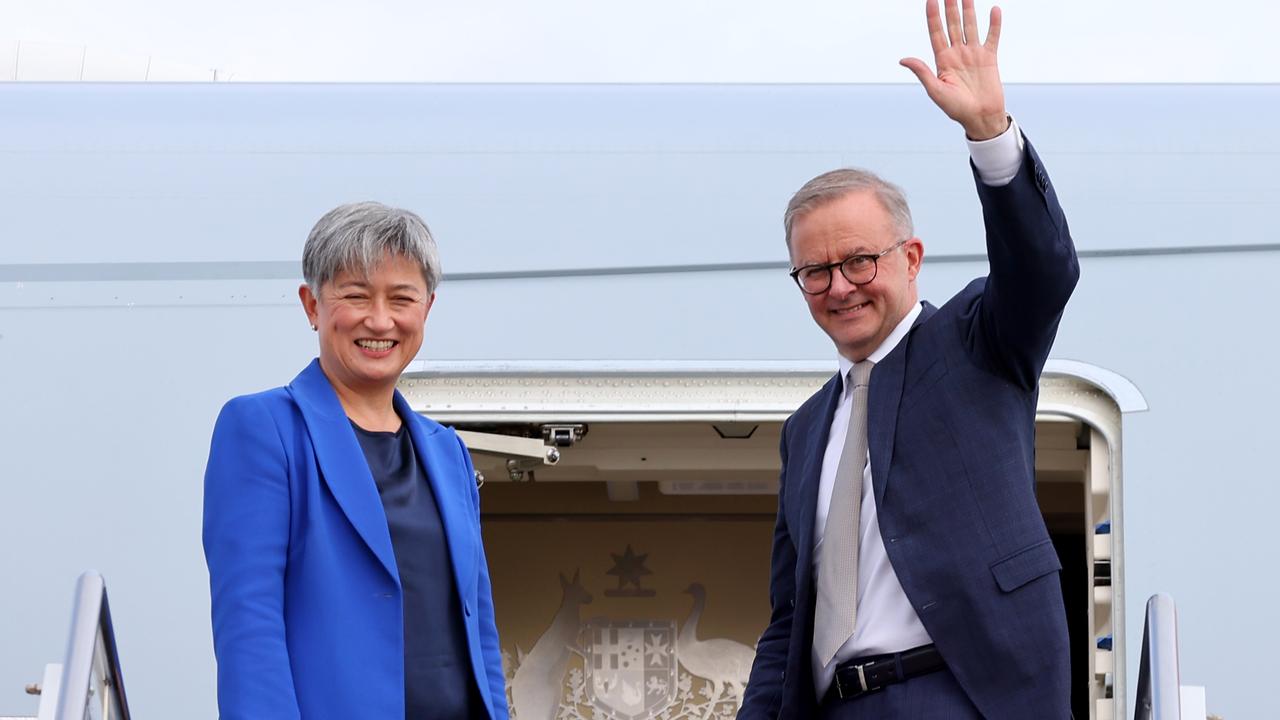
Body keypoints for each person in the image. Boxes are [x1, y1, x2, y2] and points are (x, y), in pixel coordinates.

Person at [738, 1, 1077, 718]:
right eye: (816, 271)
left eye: (860, 261)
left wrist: (990, 135)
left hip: (962, 696)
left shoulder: (977, 344)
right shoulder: (805, 431)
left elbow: (1042, 270)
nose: (840, 286)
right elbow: (789, 617)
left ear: (911, 258)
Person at [202, 202, 508, 719]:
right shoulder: (264, 429)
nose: (380, 319)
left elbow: (480, 632)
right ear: (312, 305)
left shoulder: (447, 451)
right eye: (356, 295)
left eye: (401, 298)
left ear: (427, 309)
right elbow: (249, 627)